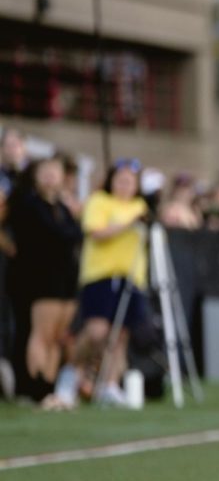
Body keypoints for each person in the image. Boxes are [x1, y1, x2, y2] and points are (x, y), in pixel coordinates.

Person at [59, 157, 151, 409]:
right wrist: (128, 223)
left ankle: (110, 384)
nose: (124, 185)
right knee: (96, 331)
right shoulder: (99, 202)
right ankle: (70, 375)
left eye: (129, 181)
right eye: (120, 180)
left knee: (119, 336)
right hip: (101, 276)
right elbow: (96, 233)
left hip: (132, 278)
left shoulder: (140, 205)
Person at [3, 155, 83, 404]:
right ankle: (34, 386)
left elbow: (73, 236)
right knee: (41, 334)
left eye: (55, 172)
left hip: (65, 278)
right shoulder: (27, 202)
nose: (50, 176)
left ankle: (49, 387)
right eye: (45, 171)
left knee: (59, 337)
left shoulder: (62, 208)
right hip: (39, 277)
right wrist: (10, 248)